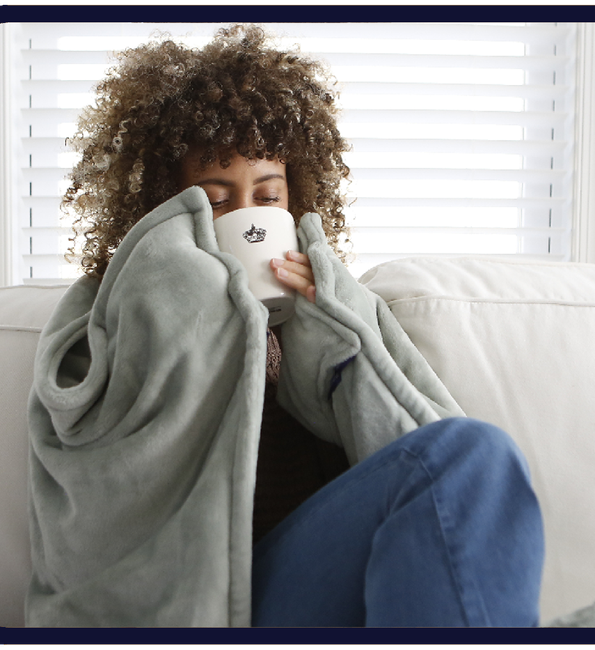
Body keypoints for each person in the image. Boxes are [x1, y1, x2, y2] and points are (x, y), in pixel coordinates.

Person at [27, 24, 544, 627]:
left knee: (475, 454)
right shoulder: (105, 315)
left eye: (267, 197)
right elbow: (93, 494)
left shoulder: (329, 301)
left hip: (306, 580)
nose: (247, 217)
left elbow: (439, 474)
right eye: (215, 203)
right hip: (189, 603)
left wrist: (329, 327)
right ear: (160, 211)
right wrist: (181, 302)